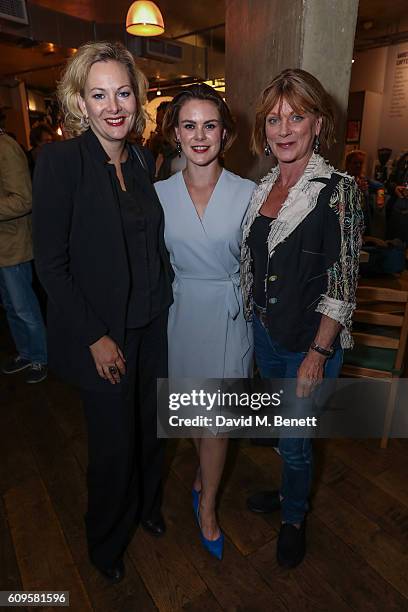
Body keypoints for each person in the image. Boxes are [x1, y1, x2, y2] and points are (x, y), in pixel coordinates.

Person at [32, 41, 173, 583]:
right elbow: (51, 264)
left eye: (122, 93)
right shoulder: (61, 162)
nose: (113, 106)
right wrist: (94, 335)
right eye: (99, 95)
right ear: (79, 102)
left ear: (137, 99)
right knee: (113, 446)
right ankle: (106, 540)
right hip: (104, 334)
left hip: (152, 323)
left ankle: (147, 508)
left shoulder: (141, 158)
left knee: (151, 429)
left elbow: (149, 242)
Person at [241, 69, 363, 568]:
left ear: (318, 123)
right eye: (274, 119)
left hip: (308, 344)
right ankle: (289, 489)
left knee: (295, 443)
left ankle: (294, 516)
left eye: (296, 117)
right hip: (265, 336)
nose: (284, 128)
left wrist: (317, 355)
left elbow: (343, 284)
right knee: (282, 433)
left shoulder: (341, 190)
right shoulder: (262, 186)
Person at [155, 83, 255, 560]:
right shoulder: (156, 195)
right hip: (182, 311)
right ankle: (202, 476)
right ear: (176, 133)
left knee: (217, 422)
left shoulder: (250, 194)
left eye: (209, 125)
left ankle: (208, 505)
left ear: (225, 134)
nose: (200, 136)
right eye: (189, 125)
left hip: (230, 313)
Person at [0, 127, 48, 384]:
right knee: (11, 307)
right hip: (4, 246)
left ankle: (40, 356)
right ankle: (26, 352)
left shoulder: (6, 148)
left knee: (24, 308)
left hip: (14, 246)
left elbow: (23, 200)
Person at [345, 149, 385, 236]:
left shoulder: (363, 180)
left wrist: (380, 198)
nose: (358, 165)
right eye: (355, 163)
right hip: (349, 222)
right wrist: (357, 190)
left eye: (361, 163)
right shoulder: (343, 180)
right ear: (348, 164)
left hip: (364, 220)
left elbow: (380, 186)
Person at [147, 100, 186, 180]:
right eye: (157, 124)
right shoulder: (161, 151)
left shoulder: (182, 156)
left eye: (161, 124)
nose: (157, 129)